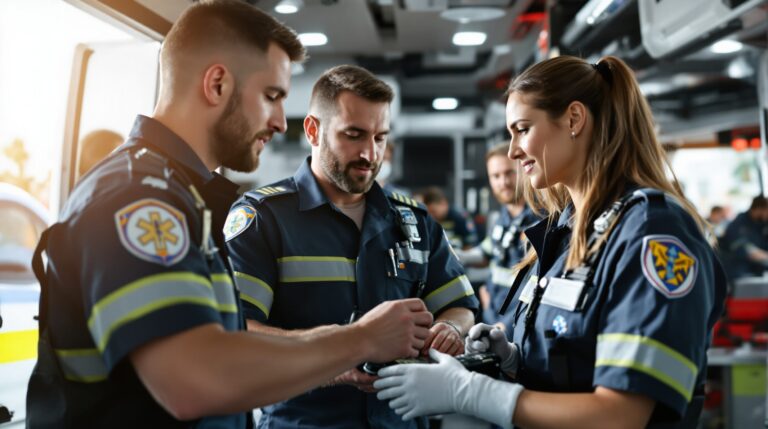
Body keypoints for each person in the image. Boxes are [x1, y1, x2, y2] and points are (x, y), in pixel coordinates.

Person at [26, 2, 433, 428]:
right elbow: (195, 379)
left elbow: (222, 350)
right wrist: (361, 339)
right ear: (217, 84)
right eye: (272, 96)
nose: (279, 122)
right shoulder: (138, 200)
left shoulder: (181, 198)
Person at [374, 55, 727, 429]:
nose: (512, 151)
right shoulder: (567, 230)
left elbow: (622, 415)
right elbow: (574, 362)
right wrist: (512, 361)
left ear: (574, 119)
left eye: (522, 129)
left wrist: (471, 392)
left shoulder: (652, 232)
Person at [225, 64, 478, 429]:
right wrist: (338, 359)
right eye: (354, 135)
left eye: (380, 138)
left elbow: (459, 305)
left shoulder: (412, 220)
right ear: (313, 130)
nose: (370, 154)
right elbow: (238, 332)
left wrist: (451, 330)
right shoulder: (264, 218)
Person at [454, 143, 539, 332]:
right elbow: (486, 253)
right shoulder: (502, 217)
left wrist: (507, 325)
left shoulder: (541, 218)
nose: (503, 182)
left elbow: (538, 284)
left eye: (509, 173)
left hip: (518, 324)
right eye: (496, 176)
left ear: (525, 170)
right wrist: (448, 252)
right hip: (492, 314)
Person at [720, 196, 768, 280]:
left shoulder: (763, 224)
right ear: (759, 209)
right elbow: (749, 251)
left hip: (759, 272)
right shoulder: (738, 224)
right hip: (738, 273)